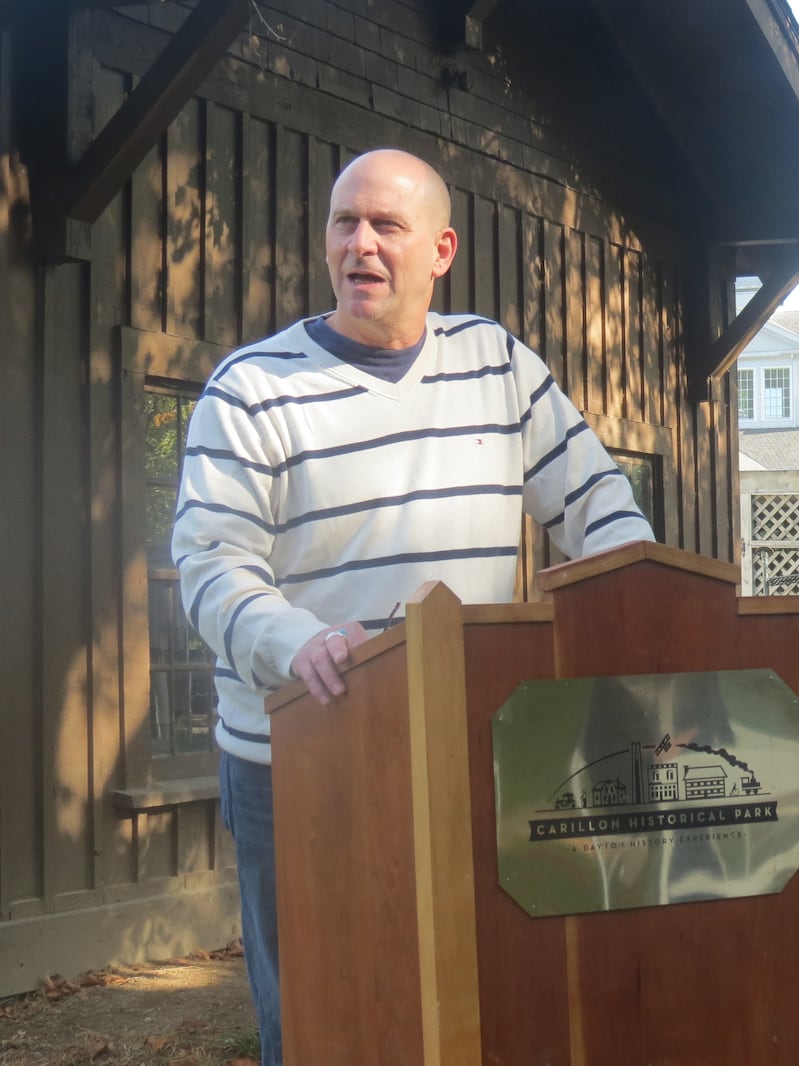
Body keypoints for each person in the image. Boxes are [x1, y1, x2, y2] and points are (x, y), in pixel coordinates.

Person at [172, 148, 653, 1065]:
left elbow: (601, 508)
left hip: (473, 746)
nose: (360, 244)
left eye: (386, 226)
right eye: (344, 222)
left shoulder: (501, 368)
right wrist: (303, 642)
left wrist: (632, 596)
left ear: (440, 250)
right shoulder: (250, 388)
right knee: (327, 1020)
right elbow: (210, 561)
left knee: (475, 999)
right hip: (301, 754)